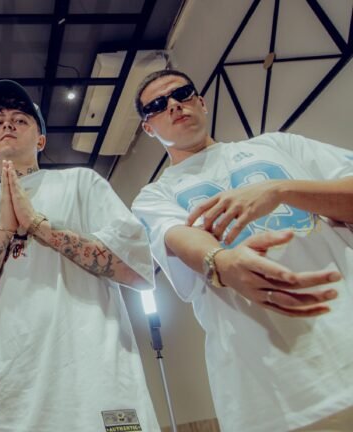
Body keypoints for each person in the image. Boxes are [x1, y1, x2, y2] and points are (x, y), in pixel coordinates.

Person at [131, 69, 353, 431]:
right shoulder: (155, 195)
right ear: (149, 128)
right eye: (157, 105)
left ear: (201, 102)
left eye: (182, 93)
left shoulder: (277, 146)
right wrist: (223, 261)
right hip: (269, 390)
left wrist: (279, 190)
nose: (173, 105)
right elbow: (177, 237)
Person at [0, 79, 160, 431]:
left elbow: (138, 270)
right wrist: (3, 232)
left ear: (41, 140)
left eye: (21, 118)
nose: (7, 123)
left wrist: (39, 227)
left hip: (95, 384)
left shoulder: (81, 184)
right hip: (10, 398)